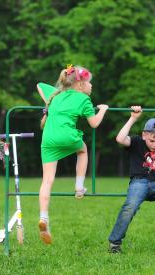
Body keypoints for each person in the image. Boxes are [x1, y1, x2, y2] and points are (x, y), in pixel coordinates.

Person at [37, 65, 109, 244]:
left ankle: (43, 217)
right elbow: (94, 124)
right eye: (89, 83)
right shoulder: (83, 99)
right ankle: (79, 187)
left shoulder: (56, 96)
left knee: (47, 180)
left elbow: (39, 85)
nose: (91, 86)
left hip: (48, 139)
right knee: (83, 150)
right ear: (80, 85)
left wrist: (49, 101)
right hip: (67, 137)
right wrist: (104, 109)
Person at [108, 106, 155, 255]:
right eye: (152, 140)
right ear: (144, 135)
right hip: (139, 181)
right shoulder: (136, 143)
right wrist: (133, 118)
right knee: (130, 205)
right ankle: (114, 243)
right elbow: (120, 138)